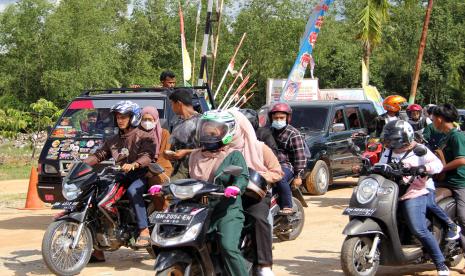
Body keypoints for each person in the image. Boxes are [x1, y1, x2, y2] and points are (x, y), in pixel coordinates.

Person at [84, 100, 155, 262]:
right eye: (118, 117)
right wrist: (82, 164)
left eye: (124, 117)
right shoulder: (113, 140)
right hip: (122, 174)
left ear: (133, 118)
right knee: (97, 194)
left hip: (141, 175)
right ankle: (97, 248)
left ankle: (144, 230)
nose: (120, 120)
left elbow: (148, 155)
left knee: (133, 191)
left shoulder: (144, 136)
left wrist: (135, 164)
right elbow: (100, 155)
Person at [379, 120, 449, 275]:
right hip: (391, 192)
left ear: (406, 137)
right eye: (389, 139)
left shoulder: (419, 150)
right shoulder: (388, 151)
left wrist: (424, 168)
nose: (391, 143)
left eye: (394, 140)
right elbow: (381, 166)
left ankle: (440, 263)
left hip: (413, 192)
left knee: (419, 229)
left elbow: (438, 165)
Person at [188, 110, 249, 276]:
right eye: (206, 128)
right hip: (197, 209)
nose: (208, 133)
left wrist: (235, 187)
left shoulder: (233, 155)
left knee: (228, 246)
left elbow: (242, 177)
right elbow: (180, 178)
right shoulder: (194, 155)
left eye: (214, 130)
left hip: (226, 210)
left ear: (226, 131)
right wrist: (164, 186)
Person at [231, 109, 283, 276]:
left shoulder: (260, 148)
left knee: (259, 219)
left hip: (255, 195)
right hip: (229, 194)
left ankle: (264, 265)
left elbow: (277, 171)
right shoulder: (223, 149)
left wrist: (258, 178)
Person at [432, 104, 465, 273]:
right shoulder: (444, 137)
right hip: (444, 182)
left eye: (433, 117)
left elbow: (461, 160)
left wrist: (442, 169)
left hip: (460, 182)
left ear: (440, 118)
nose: (431, 120)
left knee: (463, 216)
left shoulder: (457, 136)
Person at [268, 103, 306, 215]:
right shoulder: (268, 131)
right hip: (268, 165)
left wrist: (298, 176)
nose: (278, 120)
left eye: (281, 118)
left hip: (285, 166)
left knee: (279, 177)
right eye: (275, 118)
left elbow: (300, 156)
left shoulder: (294, 134)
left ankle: (287, 205)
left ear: (287, 118)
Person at [167, 88, 201, 180]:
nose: (172, 107)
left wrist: (186, 152)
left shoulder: (202, 122)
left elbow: (210, 150)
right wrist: (170, 154)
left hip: (198, 170)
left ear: (178, 104)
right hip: (179, 170)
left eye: (172, 104)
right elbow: (173, 146)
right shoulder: (177, 122)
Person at [140, 106, 173, 184]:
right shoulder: (138, 133)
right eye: (144, 119)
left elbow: (163, 156)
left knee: (157, 184)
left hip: (160, 168)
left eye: (150, 119)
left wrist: (152, 171)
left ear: (156, 120)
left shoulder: (164, 133)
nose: (147, 122)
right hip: (141, 169)